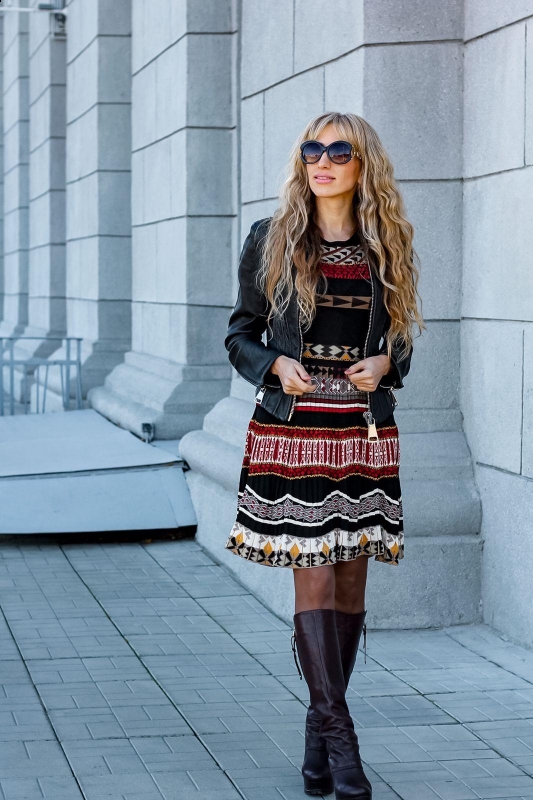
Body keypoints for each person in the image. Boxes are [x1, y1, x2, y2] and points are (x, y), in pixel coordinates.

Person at [224, 112, 424, 799]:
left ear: (363, 164)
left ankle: (317, 741)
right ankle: (341, 740)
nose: (323, 161)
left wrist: (386, 364)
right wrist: (274, 364)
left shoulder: (385, 242)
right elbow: (240, 334)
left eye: (339, 151)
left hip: (362, 433)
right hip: (295, 431)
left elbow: (401, 339)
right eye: (313, 148)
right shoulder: (271, 238)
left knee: (350, 588)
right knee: (312, 582)